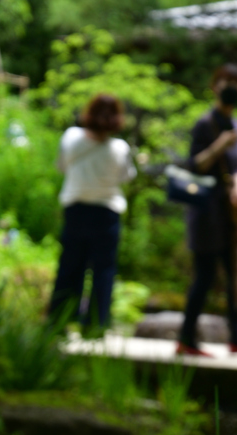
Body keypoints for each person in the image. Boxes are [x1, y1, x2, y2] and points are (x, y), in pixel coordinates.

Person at [177, 63, 237, 356]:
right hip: (205, 211)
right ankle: (186, 339)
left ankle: (236, 337)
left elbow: (236, 167)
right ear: (214, 85)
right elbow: (195, 165)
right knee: (204, 275)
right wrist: (221, 144)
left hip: (229, 209)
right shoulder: (205, 124)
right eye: (226, 81)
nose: (232, 87)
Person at [48, 94, 137, 331]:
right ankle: (96, 325)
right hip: (106, 213)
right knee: (103, 271)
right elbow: (126, 177)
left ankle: (59, 321)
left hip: (76, 209)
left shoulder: (71, 138)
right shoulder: (120, 148)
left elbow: (61, 166)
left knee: (69, 267)